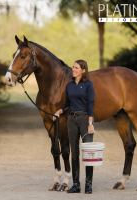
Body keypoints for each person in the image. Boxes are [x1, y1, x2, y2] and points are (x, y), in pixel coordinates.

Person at [53, 60, 95, 194]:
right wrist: (59, 111)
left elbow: (90, 104)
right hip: (71, 119)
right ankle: (76, 184)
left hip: (84, 119)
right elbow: (67, 104)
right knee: (74, 153)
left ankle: (89, 184)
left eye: (76, 67)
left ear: (83, 70)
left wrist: (90, 123)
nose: (73, 69)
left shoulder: (88, 84)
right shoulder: (69, 85)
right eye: (73, 67)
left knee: (88, 153)